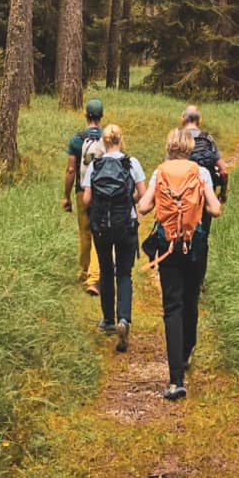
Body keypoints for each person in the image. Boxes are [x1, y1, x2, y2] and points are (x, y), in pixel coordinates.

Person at [138, 128, 222, 400]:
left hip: (168, 245)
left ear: (169, 146)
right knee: (190, 299)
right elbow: (215, 209)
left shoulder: (159, 171)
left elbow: (144, 207)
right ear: (188, 147)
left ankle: (175, 380)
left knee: (172, 306)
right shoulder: (201, 172)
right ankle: (187, 351)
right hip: (194, 244)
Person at [81, 124, 146, 352]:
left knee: (106, 270)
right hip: (126, 224)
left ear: (104, 142)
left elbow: (87, 200)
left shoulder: (95, 165)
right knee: (124, 273)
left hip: (101, 226)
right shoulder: (131, 163)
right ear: (121, 139)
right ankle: (124, 319)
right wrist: (129, 197)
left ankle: (108, 320)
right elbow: (142, 195)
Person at [182, 105, 228, 283]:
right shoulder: (208, 139)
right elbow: (223, 171)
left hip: (183, 196)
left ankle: (183, 274)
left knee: (182, 232)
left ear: (183, 118)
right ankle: (198, 280)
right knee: (203, 237)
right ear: (198, 120)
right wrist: (222, 192)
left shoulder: (178, 138)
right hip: (205, 196)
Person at [63, 98, 105, 296]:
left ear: (86, 115)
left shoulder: (77, 139)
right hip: (104, 192)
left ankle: (84, 271)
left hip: (82, 190)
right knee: (100, 232)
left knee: (85, 231)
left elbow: (71, 169)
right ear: (101, 116)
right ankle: (95, 276)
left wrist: (66, 196)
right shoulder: (109, 137)